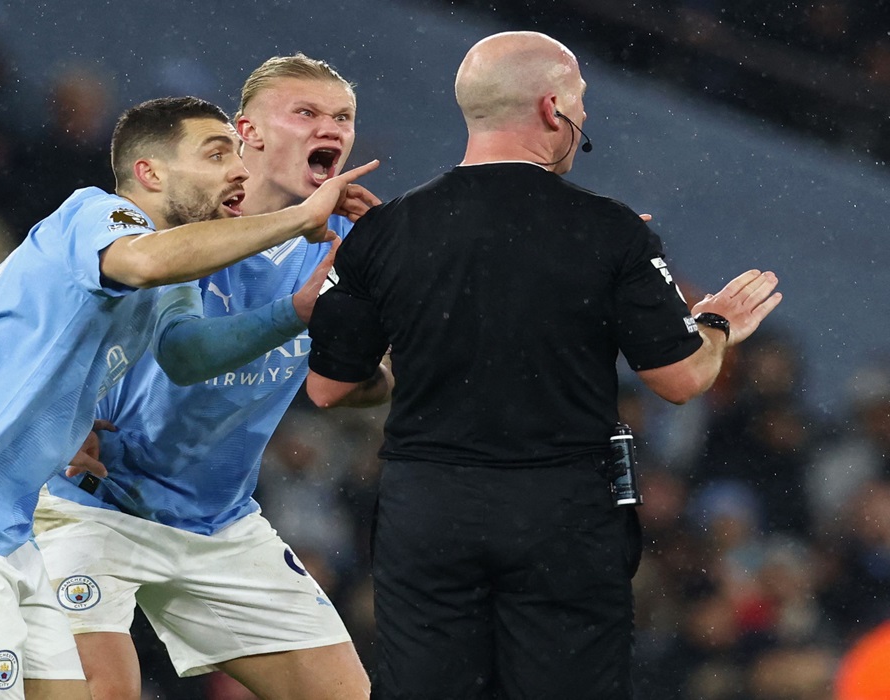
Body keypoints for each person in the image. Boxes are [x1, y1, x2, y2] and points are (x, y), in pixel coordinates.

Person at [0, 95, 378, 700]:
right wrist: (298, 219)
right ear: (150, 173)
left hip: (3, 518)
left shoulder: (163, 276)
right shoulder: (99, 215)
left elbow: (187, 354)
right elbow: (140, 262)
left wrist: (292, 313)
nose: (239, 170)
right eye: (217, 154)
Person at [304, 31, 783, 700]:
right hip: (561, 513)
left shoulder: (388, 232)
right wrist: (718, 323)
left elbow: (330, 387)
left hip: (429, 509)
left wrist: (413, 334)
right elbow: (681, 380)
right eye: (581, 103)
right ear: (553, 109)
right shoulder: (610, 230)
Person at [33, 55, 375, 700]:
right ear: (248, 132)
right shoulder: (178, 221)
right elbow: (181, 353)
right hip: (93, 505)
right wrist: (46, 417)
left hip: (219, 522)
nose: (328, 128)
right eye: (305, 113)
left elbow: (349, 387)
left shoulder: (344, 248)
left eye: (342, 117)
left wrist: (378, 345)